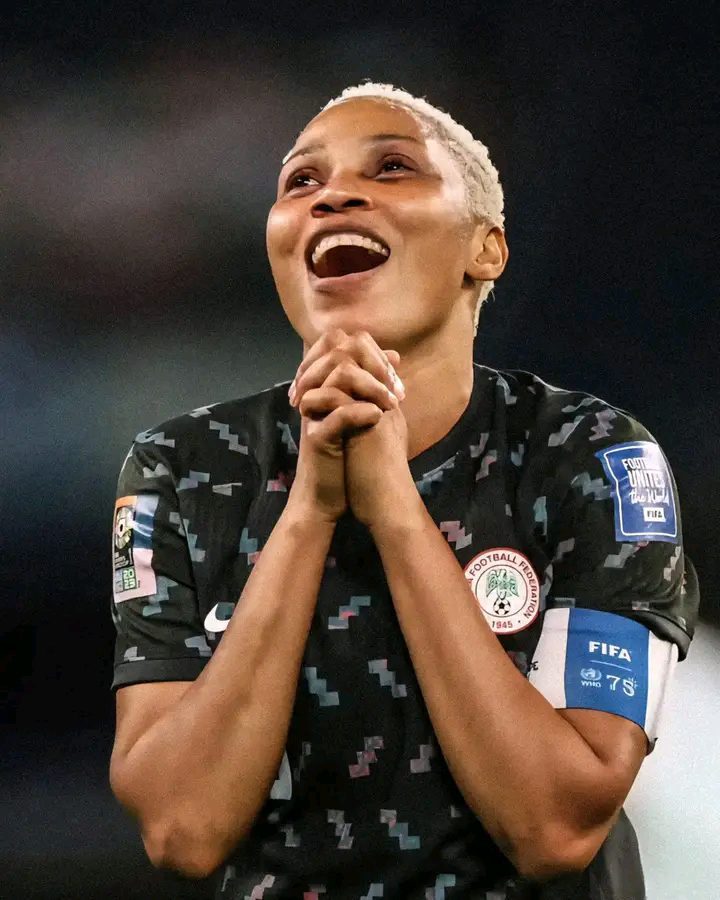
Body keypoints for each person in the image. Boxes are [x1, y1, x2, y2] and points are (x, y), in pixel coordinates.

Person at [108, 81, 700, 900]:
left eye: (392, 167)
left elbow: (557, 828)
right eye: (301, 181)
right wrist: (311, 509)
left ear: (485, 249)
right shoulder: (183, 470)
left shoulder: (589, 457)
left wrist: (393, 507)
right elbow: (181, 829)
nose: (333, 195)